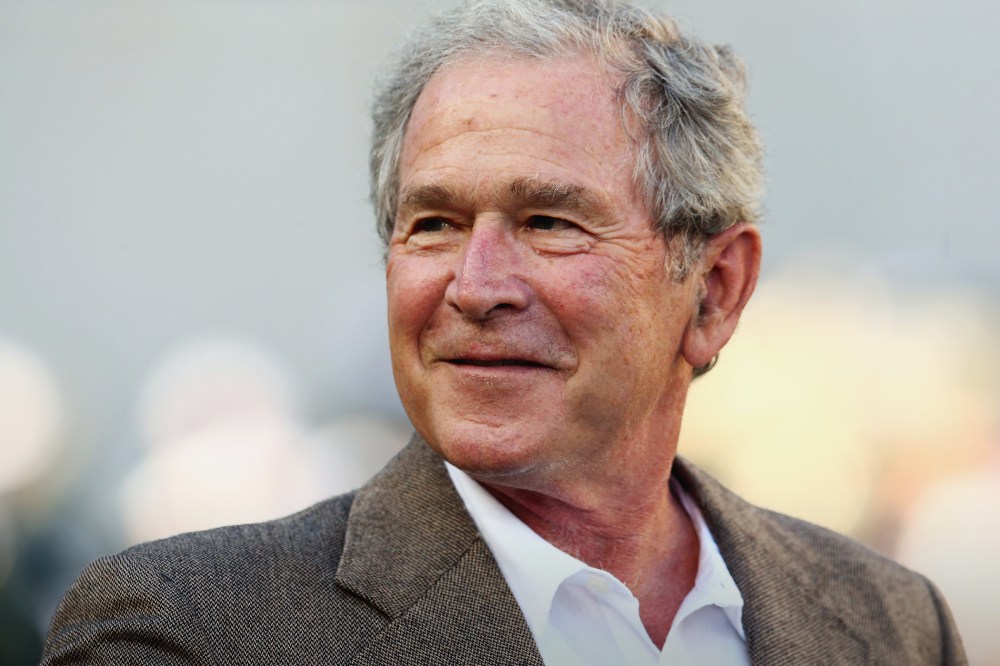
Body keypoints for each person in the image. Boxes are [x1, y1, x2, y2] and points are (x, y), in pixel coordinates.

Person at [41, 0, 966, 664]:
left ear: (715, 291)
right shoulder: (190, 633)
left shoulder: (889, 626)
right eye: (434, 224)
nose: (476, 287)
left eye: (549, 223)